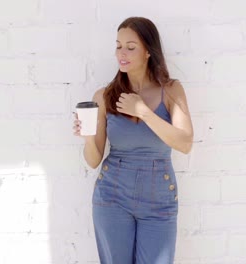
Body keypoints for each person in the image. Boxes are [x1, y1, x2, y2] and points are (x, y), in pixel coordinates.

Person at [73, 16, 194, 264]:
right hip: (112, 196)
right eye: (118, 46)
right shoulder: (105, 95)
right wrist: (88, 139)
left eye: (131, 47)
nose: (122, 53)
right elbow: (94, 160)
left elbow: (185, 143)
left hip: (159, 197)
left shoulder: (171, 90)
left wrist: (144, 112)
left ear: (148, 51)